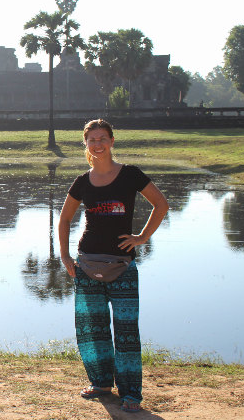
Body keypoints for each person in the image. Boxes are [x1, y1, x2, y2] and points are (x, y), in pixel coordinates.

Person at [58, 119, 169, 414]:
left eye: (102, 138)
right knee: (92, 330)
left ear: (112, 140)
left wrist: (142, 237)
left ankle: (131, 393)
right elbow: (65, 219)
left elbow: (161, 204)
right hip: (86, 264)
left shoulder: (130, 175)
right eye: (92, 139)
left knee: (126, 332)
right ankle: (101, 384)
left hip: (122, 266)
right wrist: (66, 257)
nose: (97, 144)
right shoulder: (83, 181)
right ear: (86, 144)